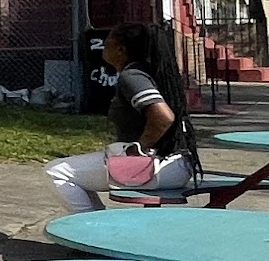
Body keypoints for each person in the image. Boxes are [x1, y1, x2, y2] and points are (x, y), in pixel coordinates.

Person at [45, 22, 200, 212]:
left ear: (120, 50)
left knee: (57, 171)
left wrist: (139, 147)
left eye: (108, 41)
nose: (103, 45)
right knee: (75, 172)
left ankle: (92, 228)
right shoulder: (147, 71)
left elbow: (163, 116)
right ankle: (98, 223)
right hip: (175, 165)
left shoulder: (132, 76)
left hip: (157, 166)